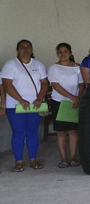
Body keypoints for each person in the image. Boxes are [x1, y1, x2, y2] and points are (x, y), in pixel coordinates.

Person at [1, 40, 49, 172]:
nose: (25, 49)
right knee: (18, 133)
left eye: (28, 47)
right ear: (17, 50)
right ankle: (18, 161)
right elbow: (7, 84)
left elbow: (45, 83)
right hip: (15, 106)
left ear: (32, 49)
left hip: (35, 105)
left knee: (33, 133)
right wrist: (21, 100)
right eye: (22, 47)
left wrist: (39, 99)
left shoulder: (38, 64)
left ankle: (33, 159)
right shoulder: (11, 64)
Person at [48, 43, 84, 168]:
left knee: (73, 131)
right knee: (61, 132)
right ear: (57, 54)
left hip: (74, 103)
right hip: (59, 102)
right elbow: (55, 85)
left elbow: (81, 84)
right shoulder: (54, 68)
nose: (63, 54)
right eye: (60, 52)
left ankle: (73, 158)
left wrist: (78, 98)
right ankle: (63, 159)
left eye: (66, 51)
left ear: (70, 52)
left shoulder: (77, 67)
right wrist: (72, 97)